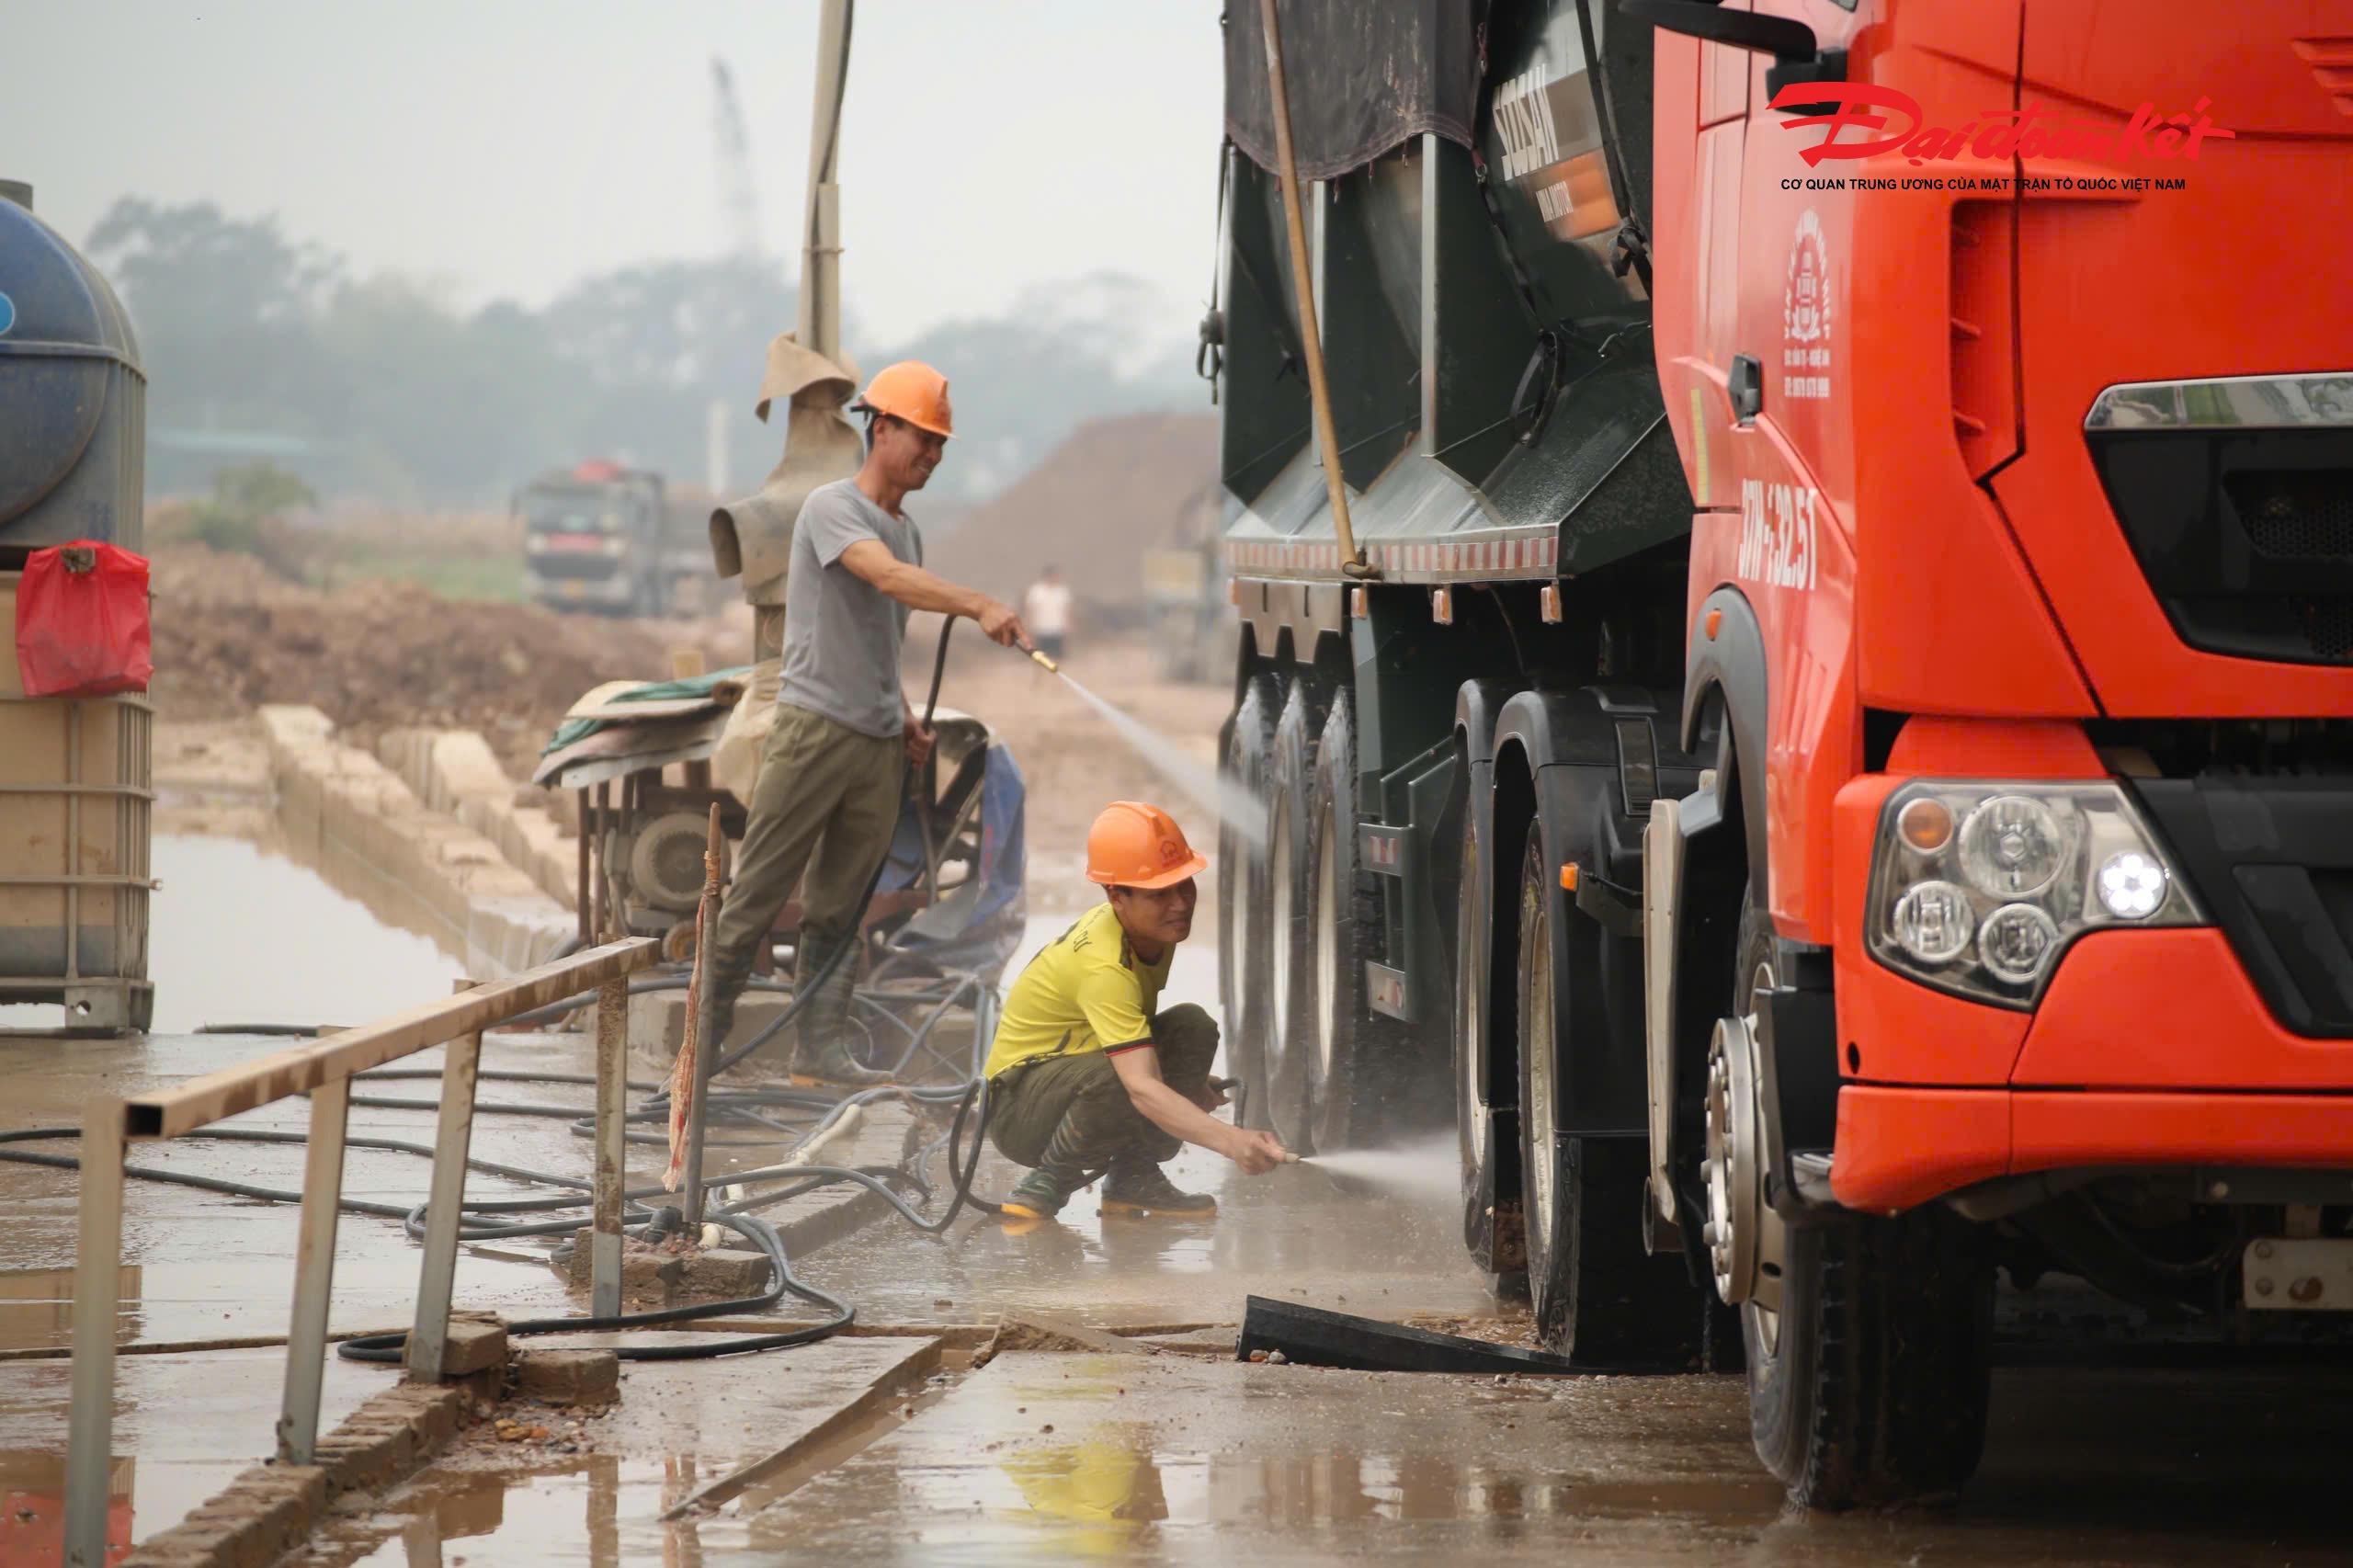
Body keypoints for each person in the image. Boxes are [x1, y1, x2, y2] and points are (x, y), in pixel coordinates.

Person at [702, 360, 1029, 1086]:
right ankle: (703, 1053)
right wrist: (976, 603)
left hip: (879, 745)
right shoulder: (831, 508)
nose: (933, 457)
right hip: (814, 732)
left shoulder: (907, 535)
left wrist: (906, 717)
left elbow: (881, 635)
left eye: (942, 446)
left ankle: (817, 1052)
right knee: (755, 896)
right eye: (924, 439)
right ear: (882, 428)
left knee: (841, 906)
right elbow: (880, 578)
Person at [983, 801, 1290, 1221]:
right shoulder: (1104, 964)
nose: (1180, 903)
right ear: (1116, 896)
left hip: (1066, 1080)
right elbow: (1140, 1086)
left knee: (1191, 1026)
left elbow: (1130, 1042)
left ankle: (1133, 1179)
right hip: (1018, 1111)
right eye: (1159, 893)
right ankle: (1044, 1186)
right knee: (1129, 1078)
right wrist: (1233, 1142)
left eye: (1185, 885)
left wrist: (1188, 1079)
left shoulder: (1149, 933)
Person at [1023, 565, 1074, 667]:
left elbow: (1067, 611)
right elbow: (1031, 610)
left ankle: (1056, 680)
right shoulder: (1037, 591)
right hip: (1041, 629)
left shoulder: (1062, 592)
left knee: (1058, 657)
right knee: (1040, 657)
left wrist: (1069, 626)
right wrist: (1028, 626)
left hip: (1058, 629)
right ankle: (1039, 680)